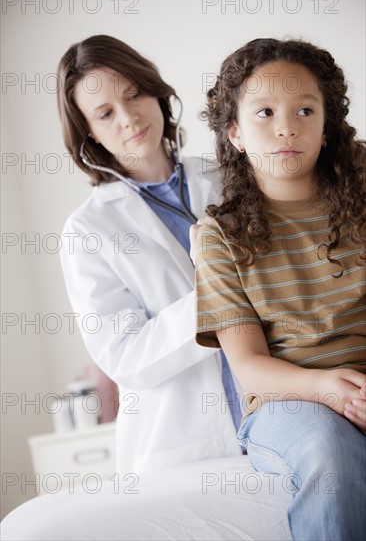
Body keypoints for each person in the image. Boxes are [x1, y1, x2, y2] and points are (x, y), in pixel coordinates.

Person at [193, 38, 366, 540]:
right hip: (289, 400)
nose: (287, 126)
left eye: (305, 110)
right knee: (330, 456)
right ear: (236, 133)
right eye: (264, 112)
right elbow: (248, 368)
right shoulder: (219, 238)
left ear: (326, 125)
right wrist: (328, 390)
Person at [57, 35, 243, 476]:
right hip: (185, 448)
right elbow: (125, 357)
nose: (128, 117)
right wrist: (218, 296)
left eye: (133, 94)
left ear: (156, 92)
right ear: (89, 133)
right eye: (105, 113)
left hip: (272, 416)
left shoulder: (231, 176)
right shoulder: (88, 230)